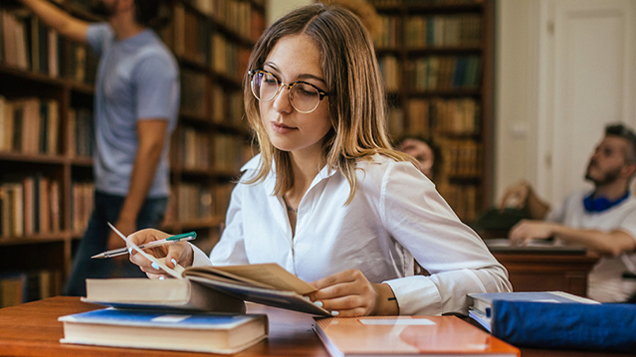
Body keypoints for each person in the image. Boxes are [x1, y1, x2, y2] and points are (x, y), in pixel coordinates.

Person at [127, 4, 511, 317]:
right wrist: (184, 260)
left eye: (306, 89)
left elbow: (492, 279)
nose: (279, 104)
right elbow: (231, 286)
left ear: (344, 99)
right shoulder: (253, 179)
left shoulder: (383, 178)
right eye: (271, 79)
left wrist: (385, 298)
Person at [19, 0, 180, 296]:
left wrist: (128, 216)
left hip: (136, 201)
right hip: (110, 195)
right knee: (80, 296)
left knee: (131, 303)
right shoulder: (110, 38)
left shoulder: (153, 61)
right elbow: (65, 24)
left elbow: (152, 145)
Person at [500, 123, 636, 302]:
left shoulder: (632, 210)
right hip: (565, 291)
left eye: (607, 152)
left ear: (628, 169)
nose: (595, 156)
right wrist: (529, 193)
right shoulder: (576, 198)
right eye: (597, 150)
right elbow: (546, 219)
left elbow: (613, 244)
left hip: (608, 305)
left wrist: (554, 229)